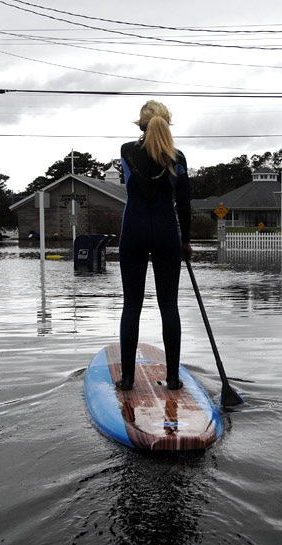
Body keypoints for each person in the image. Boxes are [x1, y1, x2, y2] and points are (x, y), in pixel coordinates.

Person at [117, 100, 192, 391]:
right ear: (167, 123)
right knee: (168, 305)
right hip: (166, 233)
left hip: (133, 231)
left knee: (132, 305)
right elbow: (184, 205)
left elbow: (137, 169)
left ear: (141, 126)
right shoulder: (179, 158)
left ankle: (127, 380)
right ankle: (173, 379)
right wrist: (186, 240)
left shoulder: (126, 151)